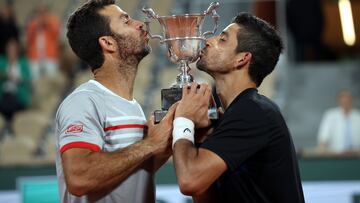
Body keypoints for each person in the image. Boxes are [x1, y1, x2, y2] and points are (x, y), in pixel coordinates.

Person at [171, 13, 305, 203]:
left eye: (223, 39)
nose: (209, 41)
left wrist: (183, 120)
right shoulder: (234, 114)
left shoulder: (253, 111)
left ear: (241, 59)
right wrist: (199, 140)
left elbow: (189, 181)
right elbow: (204, 196)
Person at [55, 1, 174, 202]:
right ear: (108, 43)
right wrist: (150, 144)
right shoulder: (84, 102)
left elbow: (133, 171)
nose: (140, 24)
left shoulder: (131, 105)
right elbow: (79, 177)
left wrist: (170, 140)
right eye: (126, 21)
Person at [0, 39, 32, 138]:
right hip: (4, 94)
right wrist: (5, 75)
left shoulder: (23, 62)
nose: (11, 51)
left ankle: (9, 127)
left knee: (11, 101)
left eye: (13, 49)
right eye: (9, 49)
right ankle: (8, 127)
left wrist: (17, 78)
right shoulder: (2, 61)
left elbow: (27, 78)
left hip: (18, 95)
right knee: (7, 99)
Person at [317, 90, 360, 154]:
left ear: (352, 100)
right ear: (338, 100)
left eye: (348, 98)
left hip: (356, 155)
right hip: (336, 155)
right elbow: (323, 137)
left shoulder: (358, 116)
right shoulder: (330, 115)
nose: (345, 100)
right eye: (343, 97)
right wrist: (322, 149)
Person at [26, 4, 60, 80]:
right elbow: (29, 39)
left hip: (50, 56)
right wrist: (36, 25)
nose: (42, 14)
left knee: (52, 80)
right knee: (35, 81)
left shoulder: (53, 21)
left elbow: (56, 34)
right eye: (40, 12)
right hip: (35, 57)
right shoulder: (32, 23)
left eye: (44, 12)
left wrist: (47, 23)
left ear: (48, 12)